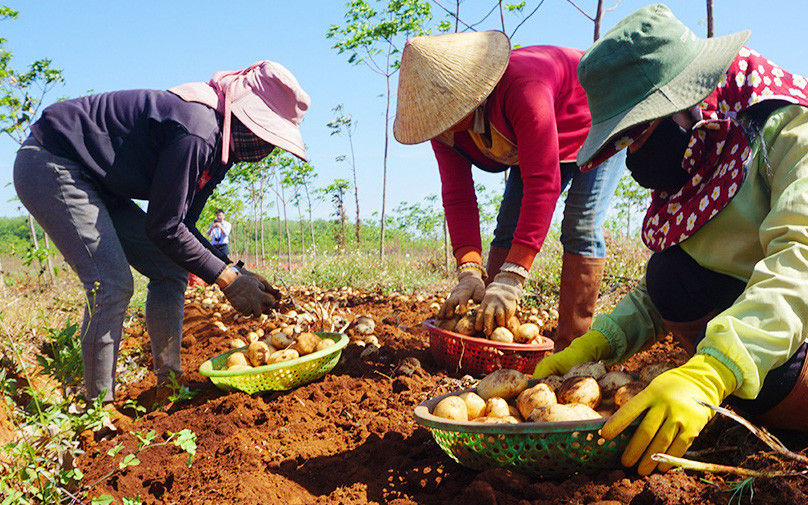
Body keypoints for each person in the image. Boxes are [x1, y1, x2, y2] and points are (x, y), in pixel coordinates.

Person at [534, 3, 808, 476]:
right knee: (671, 275)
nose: (630, 155)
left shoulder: (788, 130)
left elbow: (799, 259)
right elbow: (685, 271)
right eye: (619, 143)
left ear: (686, 99)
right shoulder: (703, 153)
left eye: (635, 135)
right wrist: (600, 342)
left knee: (748, 365)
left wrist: (714, 370)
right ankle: (757, 407)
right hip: (779, 334)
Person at [13, 60, 310, 405]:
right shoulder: (199, 131)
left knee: (170, 268)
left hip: (100, 183)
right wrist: (227, 280)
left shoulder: (218, 150)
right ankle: (98, 411)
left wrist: (234, 269)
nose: (265, 148)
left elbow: (182, 226)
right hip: (52, 162)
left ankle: (168, 385)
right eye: (264, 134)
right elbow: (165, 227)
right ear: (244, 117)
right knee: (111, 284)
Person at [393, 31, 624, 348]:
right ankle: (487, 330)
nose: (440, 124)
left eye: (446, 113)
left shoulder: (523, 87)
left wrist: (513, 276)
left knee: (580, 225)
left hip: (599, 113)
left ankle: (573, 346)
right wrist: (469, 271)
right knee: (508, 227)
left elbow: (542, 182)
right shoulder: (443, 128)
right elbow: (458, 197)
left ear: (469, 96)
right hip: (541, 133)